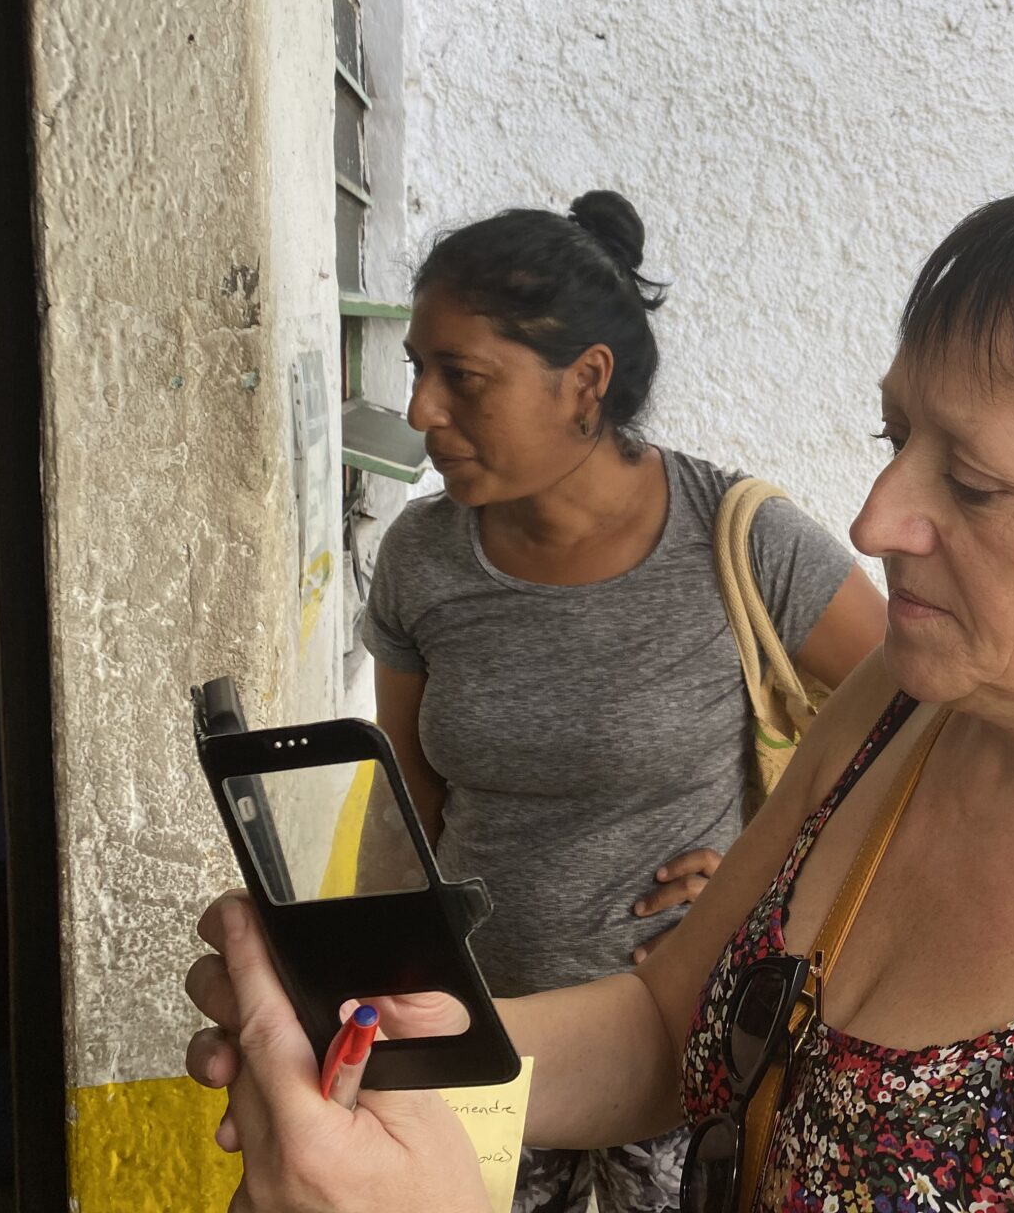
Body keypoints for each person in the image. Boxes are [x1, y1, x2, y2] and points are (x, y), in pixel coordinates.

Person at [184, 183, 1014, 1212]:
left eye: (970, 484)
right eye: (893, 432)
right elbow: (671, 1030)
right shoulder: (911, 706)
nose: (875, 521)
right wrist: (393, 1059)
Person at [363, 190, 888, 1213]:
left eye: (461, 378)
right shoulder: (421, 560)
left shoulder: (740, 539)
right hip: (480, 1050)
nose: (423, 411)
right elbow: (408, 809)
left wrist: (776, 875)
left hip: (684, 1059)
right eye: (417, 372)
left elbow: (926, 725)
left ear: (585, 383)